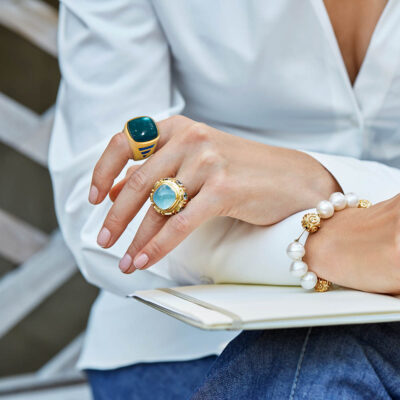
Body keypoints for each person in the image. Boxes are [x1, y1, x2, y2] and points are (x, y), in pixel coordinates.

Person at [49, 0, 400, 398]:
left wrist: (313, 179)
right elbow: (103, 202)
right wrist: (321, 242)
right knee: (317, 362)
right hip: (189, 340)